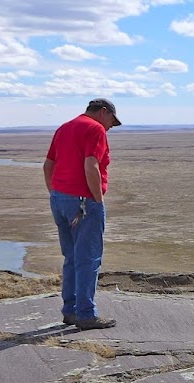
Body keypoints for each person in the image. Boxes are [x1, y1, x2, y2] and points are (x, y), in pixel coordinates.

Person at [43, 98, 121, 330]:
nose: (110, 128)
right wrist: (97, 200)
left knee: (72, 257)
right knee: (88, 258)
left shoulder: (65, 128)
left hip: (60, 200)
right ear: (103, 112)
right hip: (83, 202)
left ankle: (70, 311)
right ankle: (86, 314)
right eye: (111, 122)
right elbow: (91, 166)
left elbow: (48, 166)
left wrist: (56, 193)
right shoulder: (95, 128)